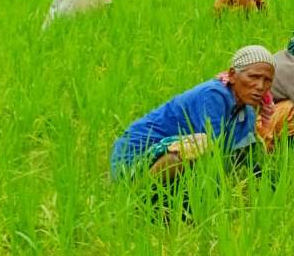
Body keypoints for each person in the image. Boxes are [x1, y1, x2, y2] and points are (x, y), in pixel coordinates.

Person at [109, 45, 275, 181]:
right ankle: (142, 197)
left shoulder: (246, 111)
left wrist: (276, 181)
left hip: (166, 155)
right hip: (133, 156)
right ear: (232, 75)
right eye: (253, 77)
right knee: (196, 147)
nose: (260, 86)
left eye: (267, 80)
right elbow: (214, 151)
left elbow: (252, 156)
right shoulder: (214, 95)